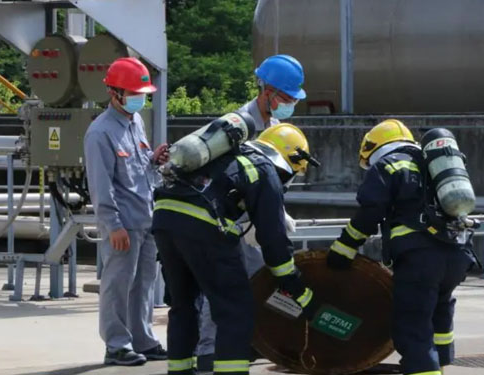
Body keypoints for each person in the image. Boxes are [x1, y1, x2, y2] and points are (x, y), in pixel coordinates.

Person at [152, 123, 320, 375]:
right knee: (235, 311)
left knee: (183, 306)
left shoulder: (226, 156)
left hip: (164, 219)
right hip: (202, 227)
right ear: (289, 159)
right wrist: (292, 282)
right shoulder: (264, 169)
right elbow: (273, 238)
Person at [325, 119, 475, 375]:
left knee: (413, 329)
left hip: (420, 259)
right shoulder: (434, 165)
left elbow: (371, 211)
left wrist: (344, 248)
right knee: (438, 312)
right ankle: (441, 363)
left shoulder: (388, 164)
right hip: (457, 254)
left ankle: (425, 370)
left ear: (374, 148)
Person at [194, 54, 307, 371]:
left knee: (256, 284)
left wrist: (275, 215)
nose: (289, 104)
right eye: (285, 98)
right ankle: (208, 349)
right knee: (221, 286)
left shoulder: (276, 126)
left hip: (251, 221)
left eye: (292, 99)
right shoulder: (237, 126)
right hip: (225, 220)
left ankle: (247, 341)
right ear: (267, 91)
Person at [84, 57, 169, 366]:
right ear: (114, 93)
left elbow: (137, 168)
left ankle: (143, 340)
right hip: (123, 224)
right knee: (118, 284)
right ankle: (117, 345)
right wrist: (112, 225)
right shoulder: (100, 133)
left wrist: (154, 160)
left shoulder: (136, 122)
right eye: (134, 93)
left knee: (145, 283)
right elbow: (101, 185)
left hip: (146, 217)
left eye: (142, 93)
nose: (139, 98)